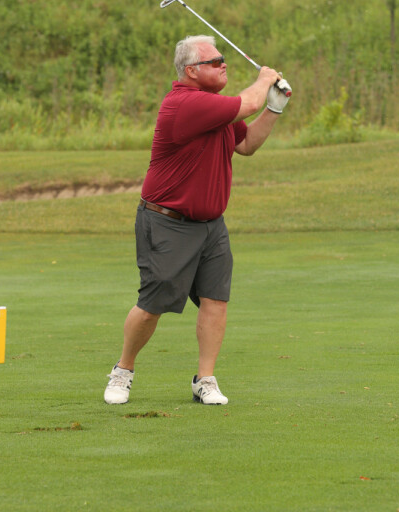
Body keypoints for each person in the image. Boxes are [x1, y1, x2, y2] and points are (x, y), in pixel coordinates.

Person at [104, 35, 291, 405]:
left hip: (211, 225)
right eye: (215, 60)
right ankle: (122, 371)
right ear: (191, 71)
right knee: (153, 304)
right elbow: (249, 100)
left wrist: (274, 108)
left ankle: (205, 380)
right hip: (166, 221)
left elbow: (247, 144)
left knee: (215, 300)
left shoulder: (218, 109)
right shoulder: (184, 104)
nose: (224, 64)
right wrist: (265, 80)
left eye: (224, 59)